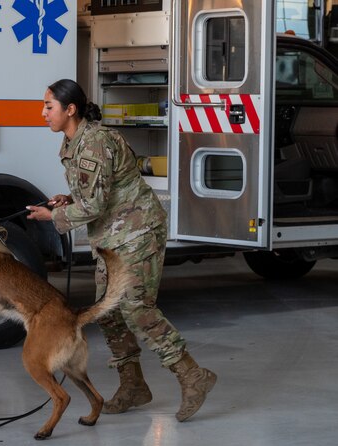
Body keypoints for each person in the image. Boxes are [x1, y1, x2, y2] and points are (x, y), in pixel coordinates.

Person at [26, 79, 217, 422]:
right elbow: (96, 193)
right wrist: (67, 200)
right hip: (112, 236)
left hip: (137, 230)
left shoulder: (94, 142)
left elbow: (95, 204)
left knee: (133, 306)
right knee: (108, 311)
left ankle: (192, 375)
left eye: (49, 107)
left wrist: (53, 215)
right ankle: (133, 385)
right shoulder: (73, 142)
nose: (43, 113)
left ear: (70, 110)